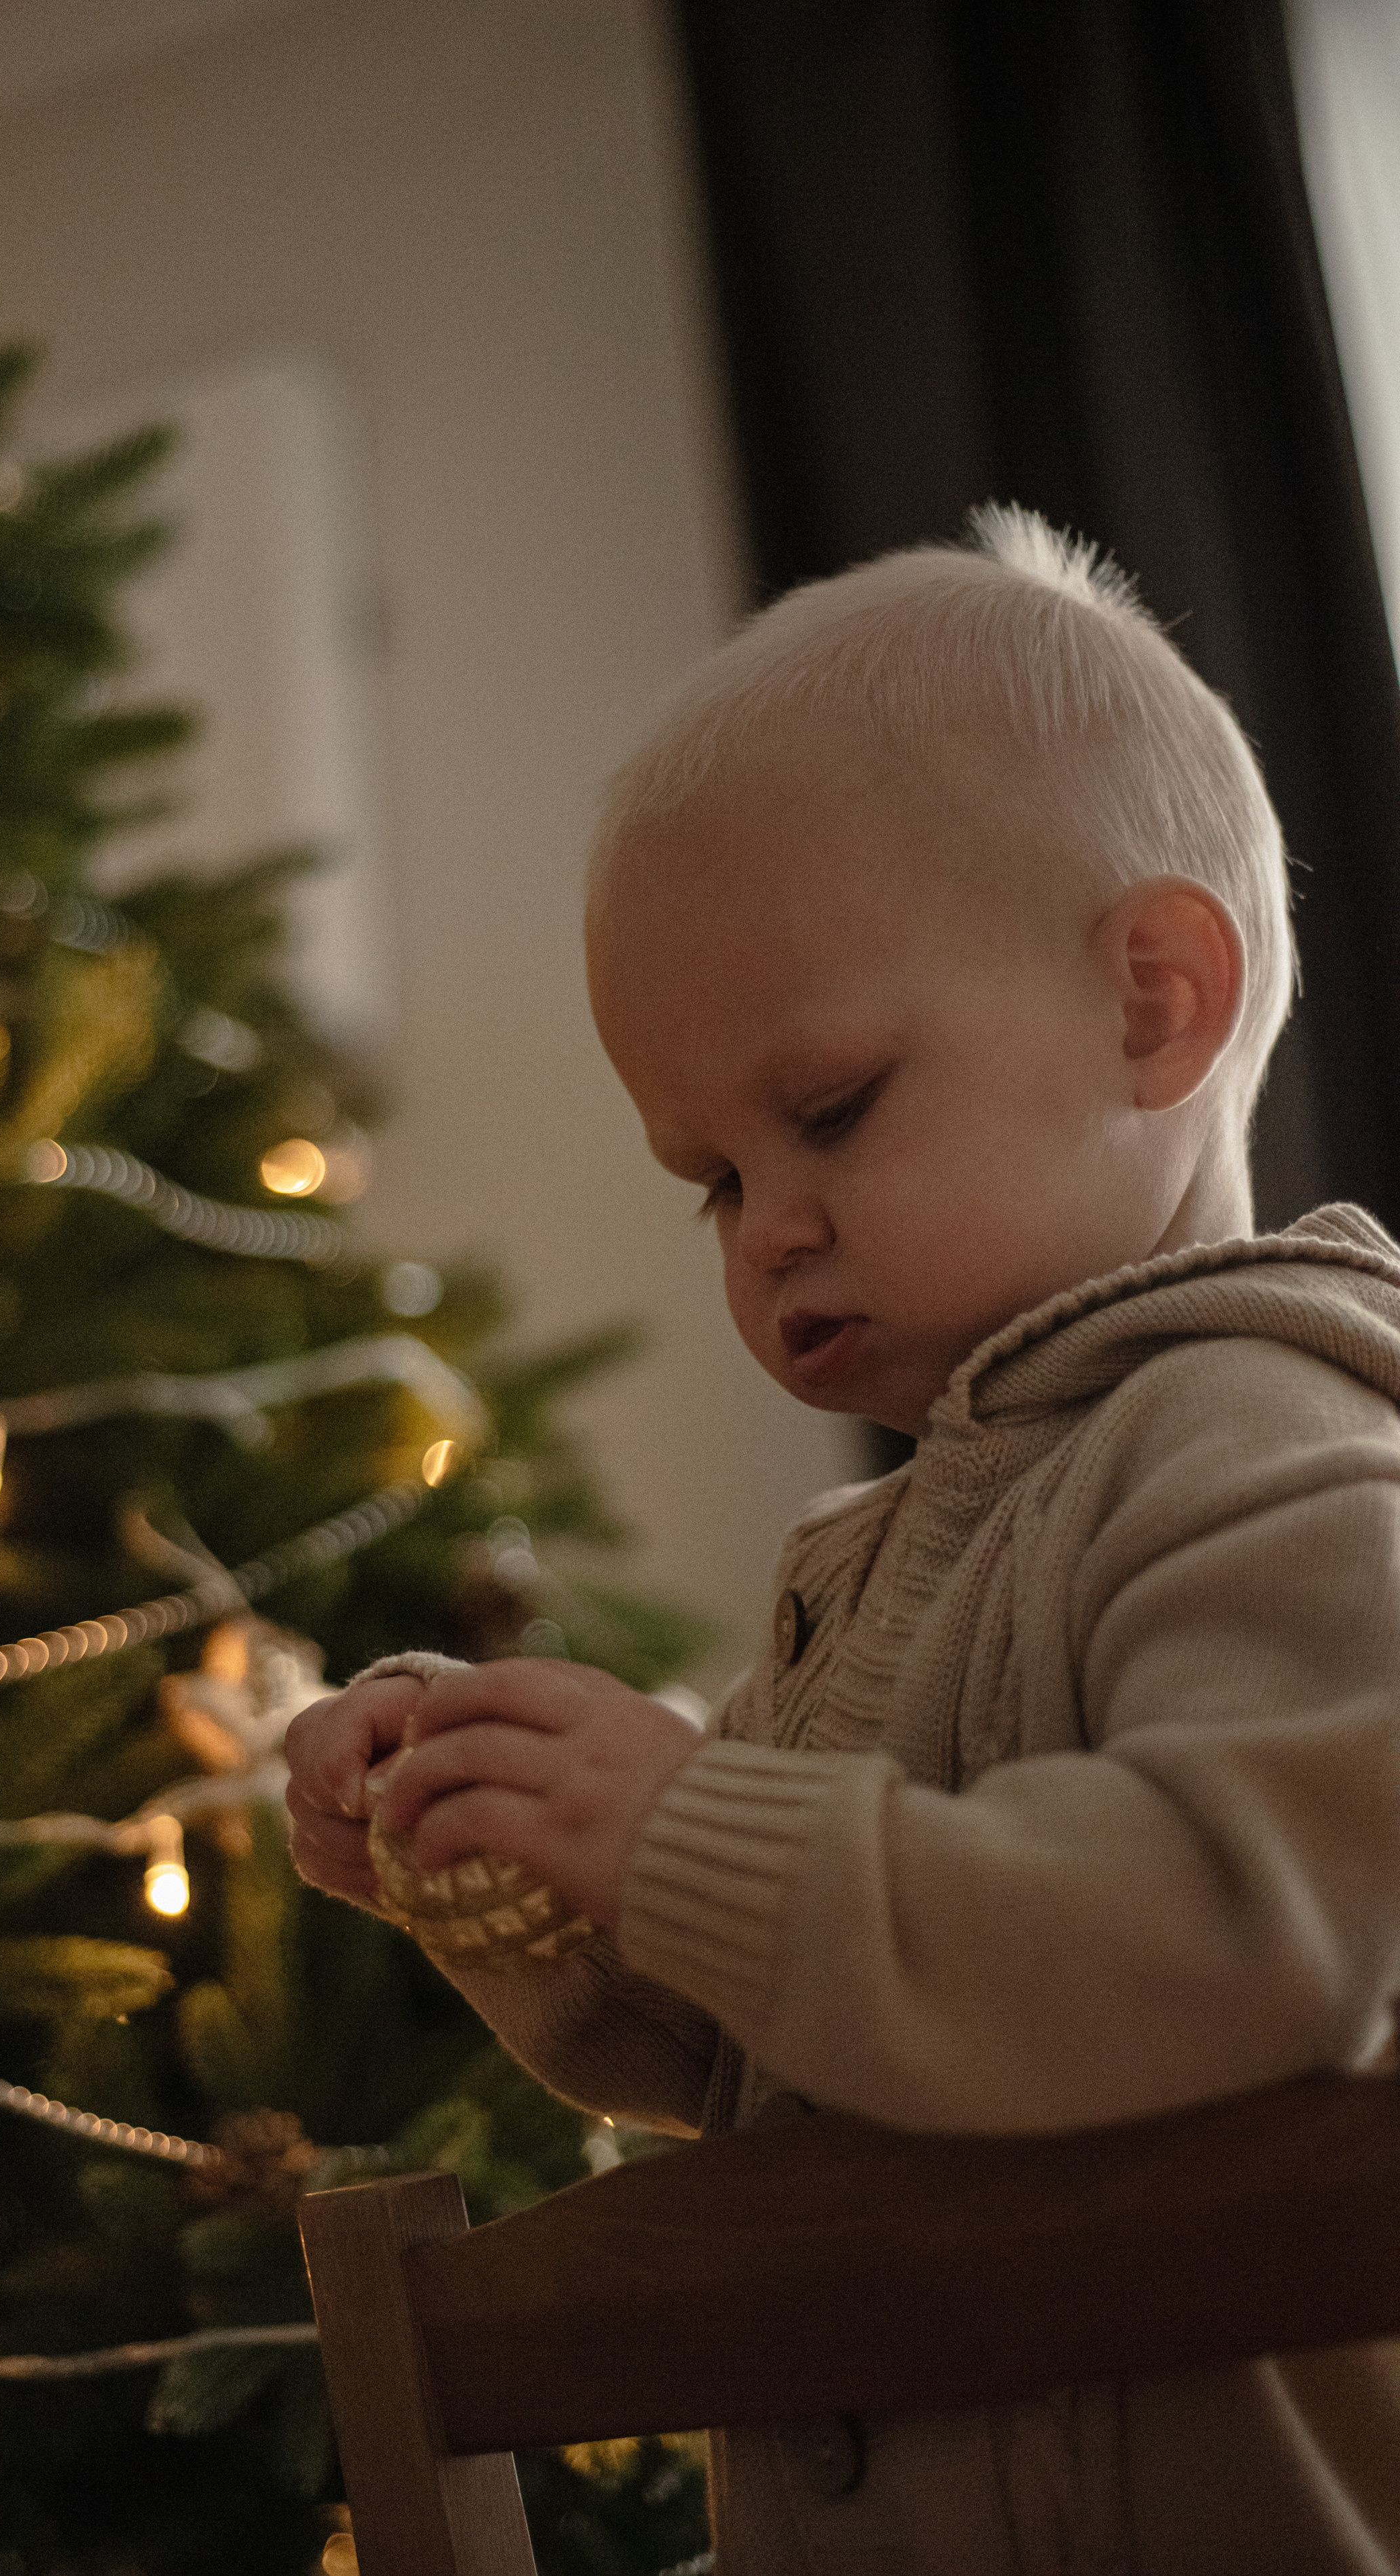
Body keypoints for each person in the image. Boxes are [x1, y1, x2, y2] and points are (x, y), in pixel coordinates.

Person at [286, 507, 1400, 2575]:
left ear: (1155, 1004)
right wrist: (529, 1856)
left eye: (831, 1107)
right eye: (708, 1173)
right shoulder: (875, 1551)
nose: (766, 1223)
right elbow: (781, 2043)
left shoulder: (1266, 1439)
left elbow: (1261, 1940)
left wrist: (691, 1828)